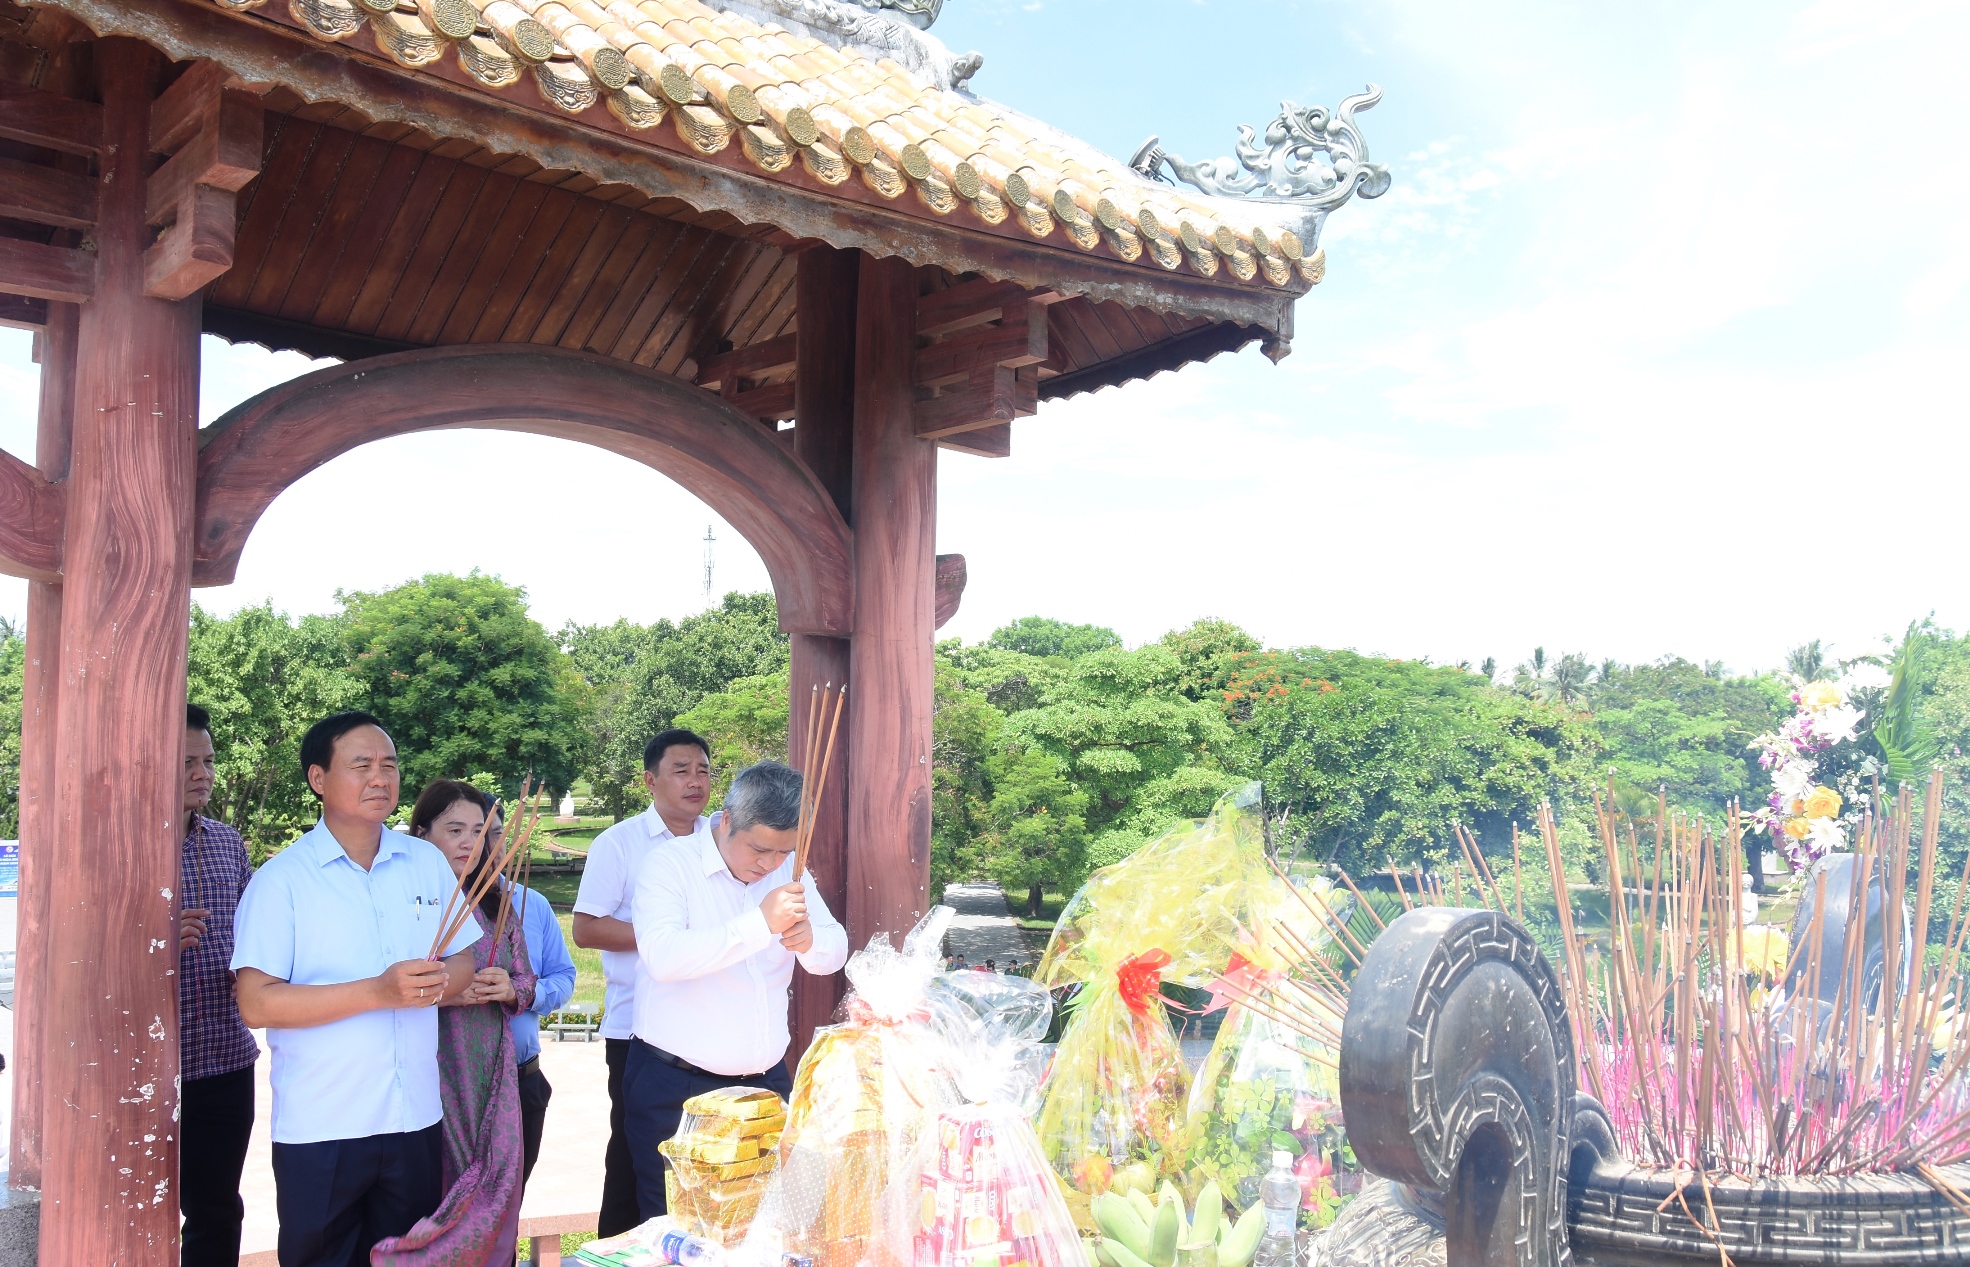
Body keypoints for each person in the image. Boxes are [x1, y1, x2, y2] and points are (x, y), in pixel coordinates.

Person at [231, 712, 481, 1267]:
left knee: (408, 1257)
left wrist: (437, 983)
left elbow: (462, 959)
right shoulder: (283, 881)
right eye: (361, 765)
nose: (380, 778)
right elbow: (256, 1001)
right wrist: (378, 991)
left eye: (389, 765)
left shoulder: (424, 863)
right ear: (319, 778)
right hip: (324, 1123)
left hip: (414, 1113)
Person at [624, 760, 849, 1221]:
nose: (768, 864)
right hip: (679, 1084)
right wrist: (758, 925)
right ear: (727, 820)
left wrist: (811, 941)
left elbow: (834, 950)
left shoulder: (791, 872)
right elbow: (663, 957)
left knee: (771, 1220)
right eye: (759, 849)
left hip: (766, 1080)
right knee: (678, 1224)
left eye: (783, 852)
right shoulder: (670, 865)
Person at [373, 780, 540, 1266]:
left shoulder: (496, 903)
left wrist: (509, 988)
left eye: (479, 831)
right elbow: (384, 986)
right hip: (430, 1070)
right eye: (455, 829)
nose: (470, 843)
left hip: (491, 1071)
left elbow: (526, 977)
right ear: (422, 834)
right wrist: (444, 993)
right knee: (435, 1189)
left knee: (496, 1187)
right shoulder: (407, 903)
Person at [571, 729, 712, 1236]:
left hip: (709, 1029)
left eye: (703, 770)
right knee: (636, 1160)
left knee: (707, 1160)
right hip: (637, 1030)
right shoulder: (621, 843)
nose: (695, 781)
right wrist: (668, 938)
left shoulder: (721, 840)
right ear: (650, 780)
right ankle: (620, 1248)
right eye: (681, 770)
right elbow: (586, 928)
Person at [178, 703, 260, 1267]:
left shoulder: (227, 843)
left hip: (226, 1059)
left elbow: (262, 935)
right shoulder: (115, 847)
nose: (202, 773)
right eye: (186, 762)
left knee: (216, 1210)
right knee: (132, 1204)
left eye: (207, 760)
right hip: (143, 1065)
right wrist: (147, 939)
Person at [491, 800, 577, 1187]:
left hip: (522, 1079)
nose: (482, 844)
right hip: (453, 1087)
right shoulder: (431, 908)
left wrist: (523, 993)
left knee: (509, 1207)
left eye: (492, 832)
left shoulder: (532, 905)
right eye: (460, 831)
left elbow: (564, 977)